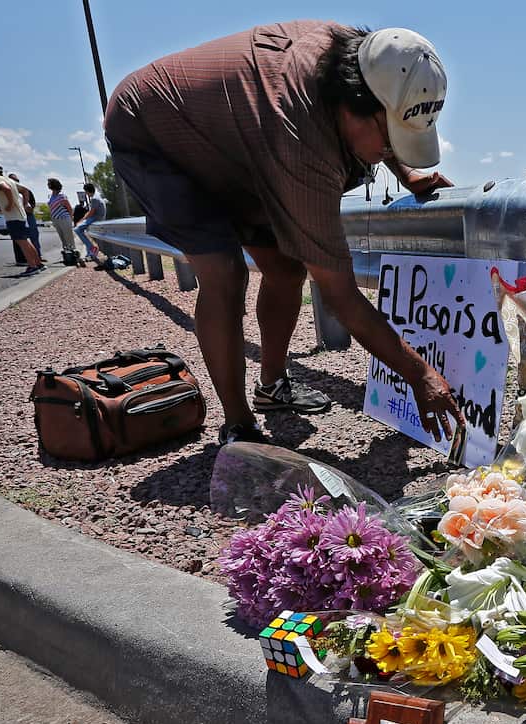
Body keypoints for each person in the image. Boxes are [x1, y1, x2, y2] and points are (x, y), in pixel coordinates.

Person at [104, 22, 459, 447]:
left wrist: (407, 170)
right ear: (351, 107)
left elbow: (383, 114)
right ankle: (238, 425)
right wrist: (420, 374)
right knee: (225, 272)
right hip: (152, 129)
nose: (389, 153)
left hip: (241, 133)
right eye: (390, 143)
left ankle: (272, 387)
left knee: (287, 270)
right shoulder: (300, 138)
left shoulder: (367, 57)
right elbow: (341, 295)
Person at [0, 160, 43, 274]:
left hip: (13, 217)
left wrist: (10, 204)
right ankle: (38, 263)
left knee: (21, 241)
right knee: (26, 241)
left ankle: (32, 266)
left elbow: (6, 189)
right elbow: (25, 190)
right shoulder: (10, 180)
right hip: (21, 215)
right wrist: (24, 204)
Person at [9, 173, 43, 263]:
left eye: (16, 180)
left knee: (33, 236)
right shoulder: (9, 192)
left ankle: (37, 258)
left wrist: (27, 207)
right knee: (20, 238)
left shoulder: (25, 191)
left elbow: (32, 204)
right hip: (17, 216)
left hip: (28, 216)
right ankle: (23, 259)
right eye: (12, 180)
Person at [74, 183, 105, 264]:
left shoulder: (94, 199)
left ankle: (92, 248)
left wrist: (82, 220)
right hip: (98, 218)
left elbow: (91, 212)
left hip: (96, 218)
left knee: (77, 229)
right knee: (85, 233)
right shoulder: (97, 197)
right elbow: (90, 212)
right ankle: (90, 253)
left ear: (87, 191)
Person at [47, 178, 76, 255]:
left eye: (49, 183)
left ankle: (72, 252)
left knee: (68, 236)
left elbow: (69, 208)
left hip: (64, 218)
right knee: (62, 237)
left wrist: (70, 218)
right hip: (56, 219)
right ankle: (66, 251)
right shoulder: (51, 196)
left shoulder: (61, 196)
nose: (48, 185)